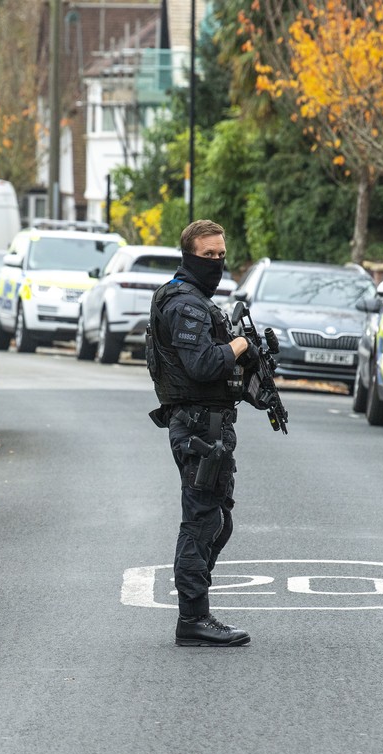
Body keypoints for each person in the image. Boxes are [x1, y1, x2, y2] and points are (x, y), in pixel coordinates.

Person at [146, 219, 253, 647]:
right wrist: (239, 346)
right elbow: (203, 365)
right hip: (197, 426)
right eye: (208, 256)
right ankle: (193, 617)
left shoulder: (196, 301)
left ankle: (196, 608)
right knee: (200, 521)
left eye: (221, 256)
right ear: (189, 255)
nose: (216, 263)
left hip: (209, 424)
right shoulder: (186, 305)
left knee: (216, 520)